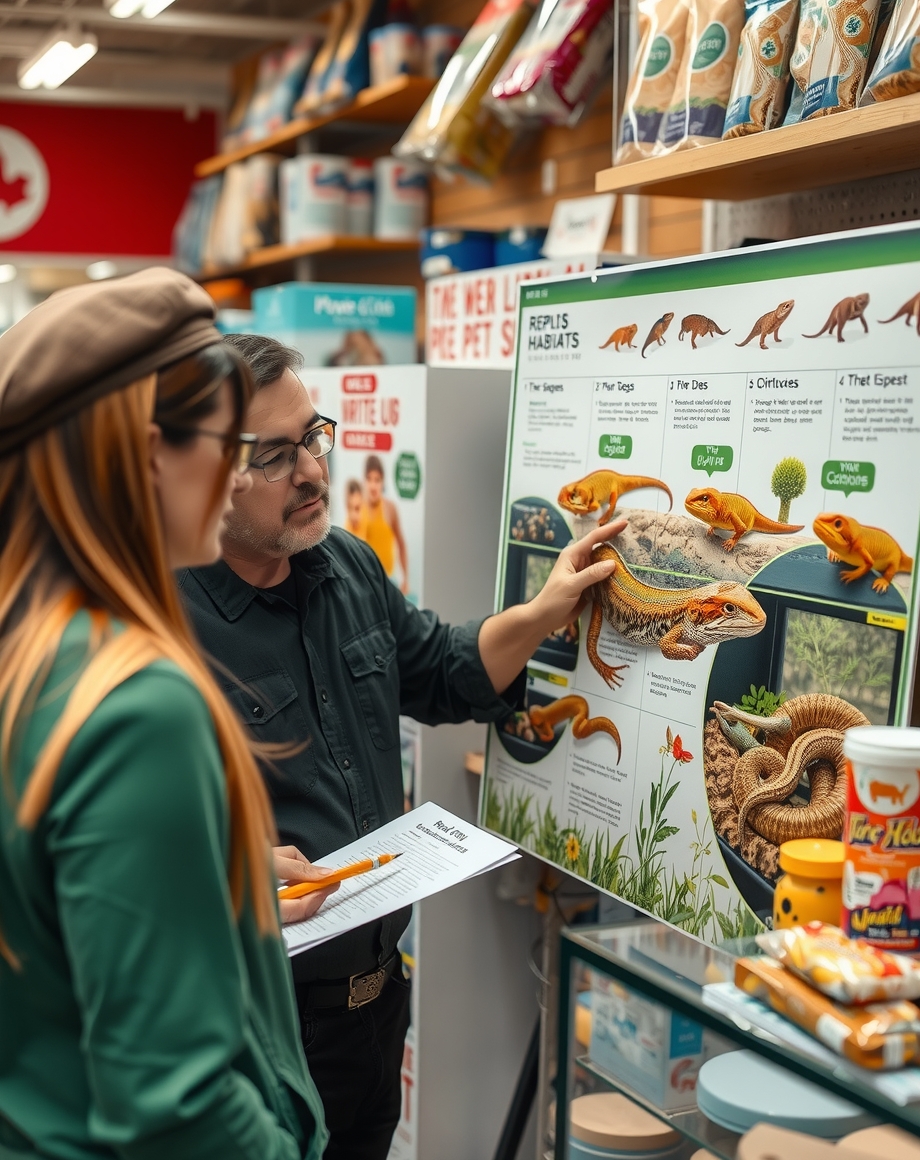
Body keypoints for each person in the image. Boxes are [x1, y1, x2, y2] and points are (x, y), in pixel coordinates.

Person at [178, 332, 621, 1160]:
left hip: (378, 1009)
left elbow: (443, 669)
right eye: (275, 456)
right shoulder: (160, 626)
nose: (312, 472)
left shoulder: (347, 566)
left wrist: (543, 611)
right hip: (259, 1032)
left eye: (313, 437)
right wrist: (222, 876)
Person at [0, 270, 333, 1160]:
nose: (238, 474)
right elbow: (176, 1106)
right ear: (153, 453)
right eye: (230, 443)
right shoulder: (135, 705)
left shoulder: (28, 649)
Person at [363, 454, 410, 595]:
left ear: (383, 481)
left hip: (388, 580)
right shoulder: (359, 509)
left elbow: (401, 544)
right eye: (369, 479)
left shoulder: (389, 508)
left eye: (377, 480)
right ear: (364, 480)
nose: (373, 486)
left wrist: (405, 579)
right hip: (365, 581)